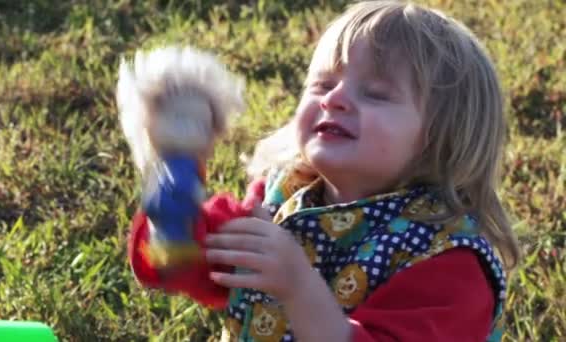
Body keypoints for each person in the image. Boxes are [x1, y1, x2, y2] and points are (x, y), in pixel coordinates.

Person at [128, 1, 520, 341]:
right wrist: (175, 184)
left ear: (443, 137)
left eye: (376, 94)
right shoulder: (280, 197)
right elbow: (181, 266)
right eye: (322, 84)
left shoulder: (450, 263)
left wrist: (299, 287)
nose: (335, 99)